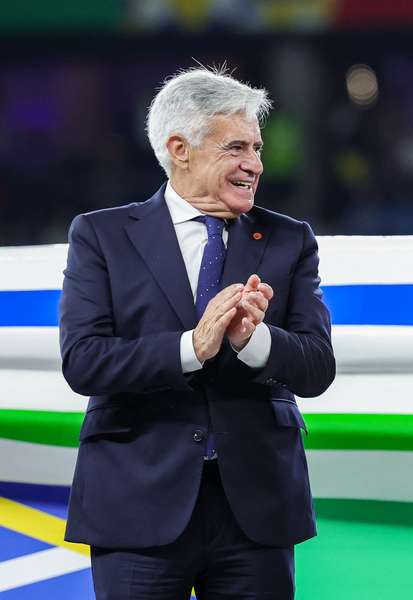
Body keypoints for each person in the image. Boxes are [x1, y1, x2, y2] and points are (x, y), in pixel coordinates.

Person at [58, 67, 335, 599]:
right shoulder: (101, 235)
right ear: (179, 148)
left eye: (256, 147)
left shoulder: (288, 239)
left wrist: (252, 341)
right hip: (136, 504)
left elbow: (318, 367)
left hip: (256, 511)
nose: (254, 164)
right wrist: (192, 347)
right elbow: (84, 361)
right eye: (236, 148)